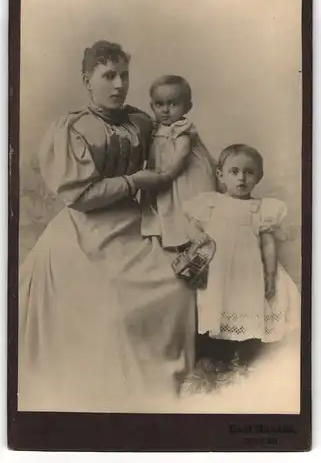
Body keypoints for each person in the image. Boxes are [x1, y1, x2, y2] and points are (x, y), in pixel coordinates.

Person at [18, 41, 196, 412]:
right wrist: (135, 182)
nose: (118, 85)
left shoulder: (142, 121)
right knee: (112, 308)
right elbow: (80, 196)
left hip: (135, 224)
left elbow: (176, 159)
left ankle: (172, 378)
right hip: (85, 229)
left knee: (177, 288)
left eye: (124, 76)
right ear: (88, 80)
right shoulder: (72, 128)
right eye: (108, 76)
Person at [183, 144, 301, 365]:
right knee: (217, 306)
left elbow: (268, 244)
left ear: (259, 177)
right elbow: (192, 225)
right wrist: (198, 237)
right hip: (219, 269)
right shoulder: (212, 203)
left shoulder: (261, 208)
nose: (241, 178)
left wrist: (270, 273)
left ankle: (248, 354)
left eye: (249, 172)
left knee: (247, 306)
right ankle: (216, 356)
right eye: (234, 172)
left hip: (248, 271)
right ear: (220, 175)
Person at [141, 75, 217, 250]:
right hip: (165, 173)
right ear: (152, 106)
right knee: (166, 205)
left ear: (187, 107)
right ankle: (174, 242)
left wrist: (168, 175)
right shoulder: (156, 128)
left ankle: (194, 242)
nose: (166, 110)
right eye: (159, 104)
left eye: (173, 104)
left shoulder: (181, 127)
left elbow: (182, 153)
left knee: (185, 207)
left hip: (183, 174)